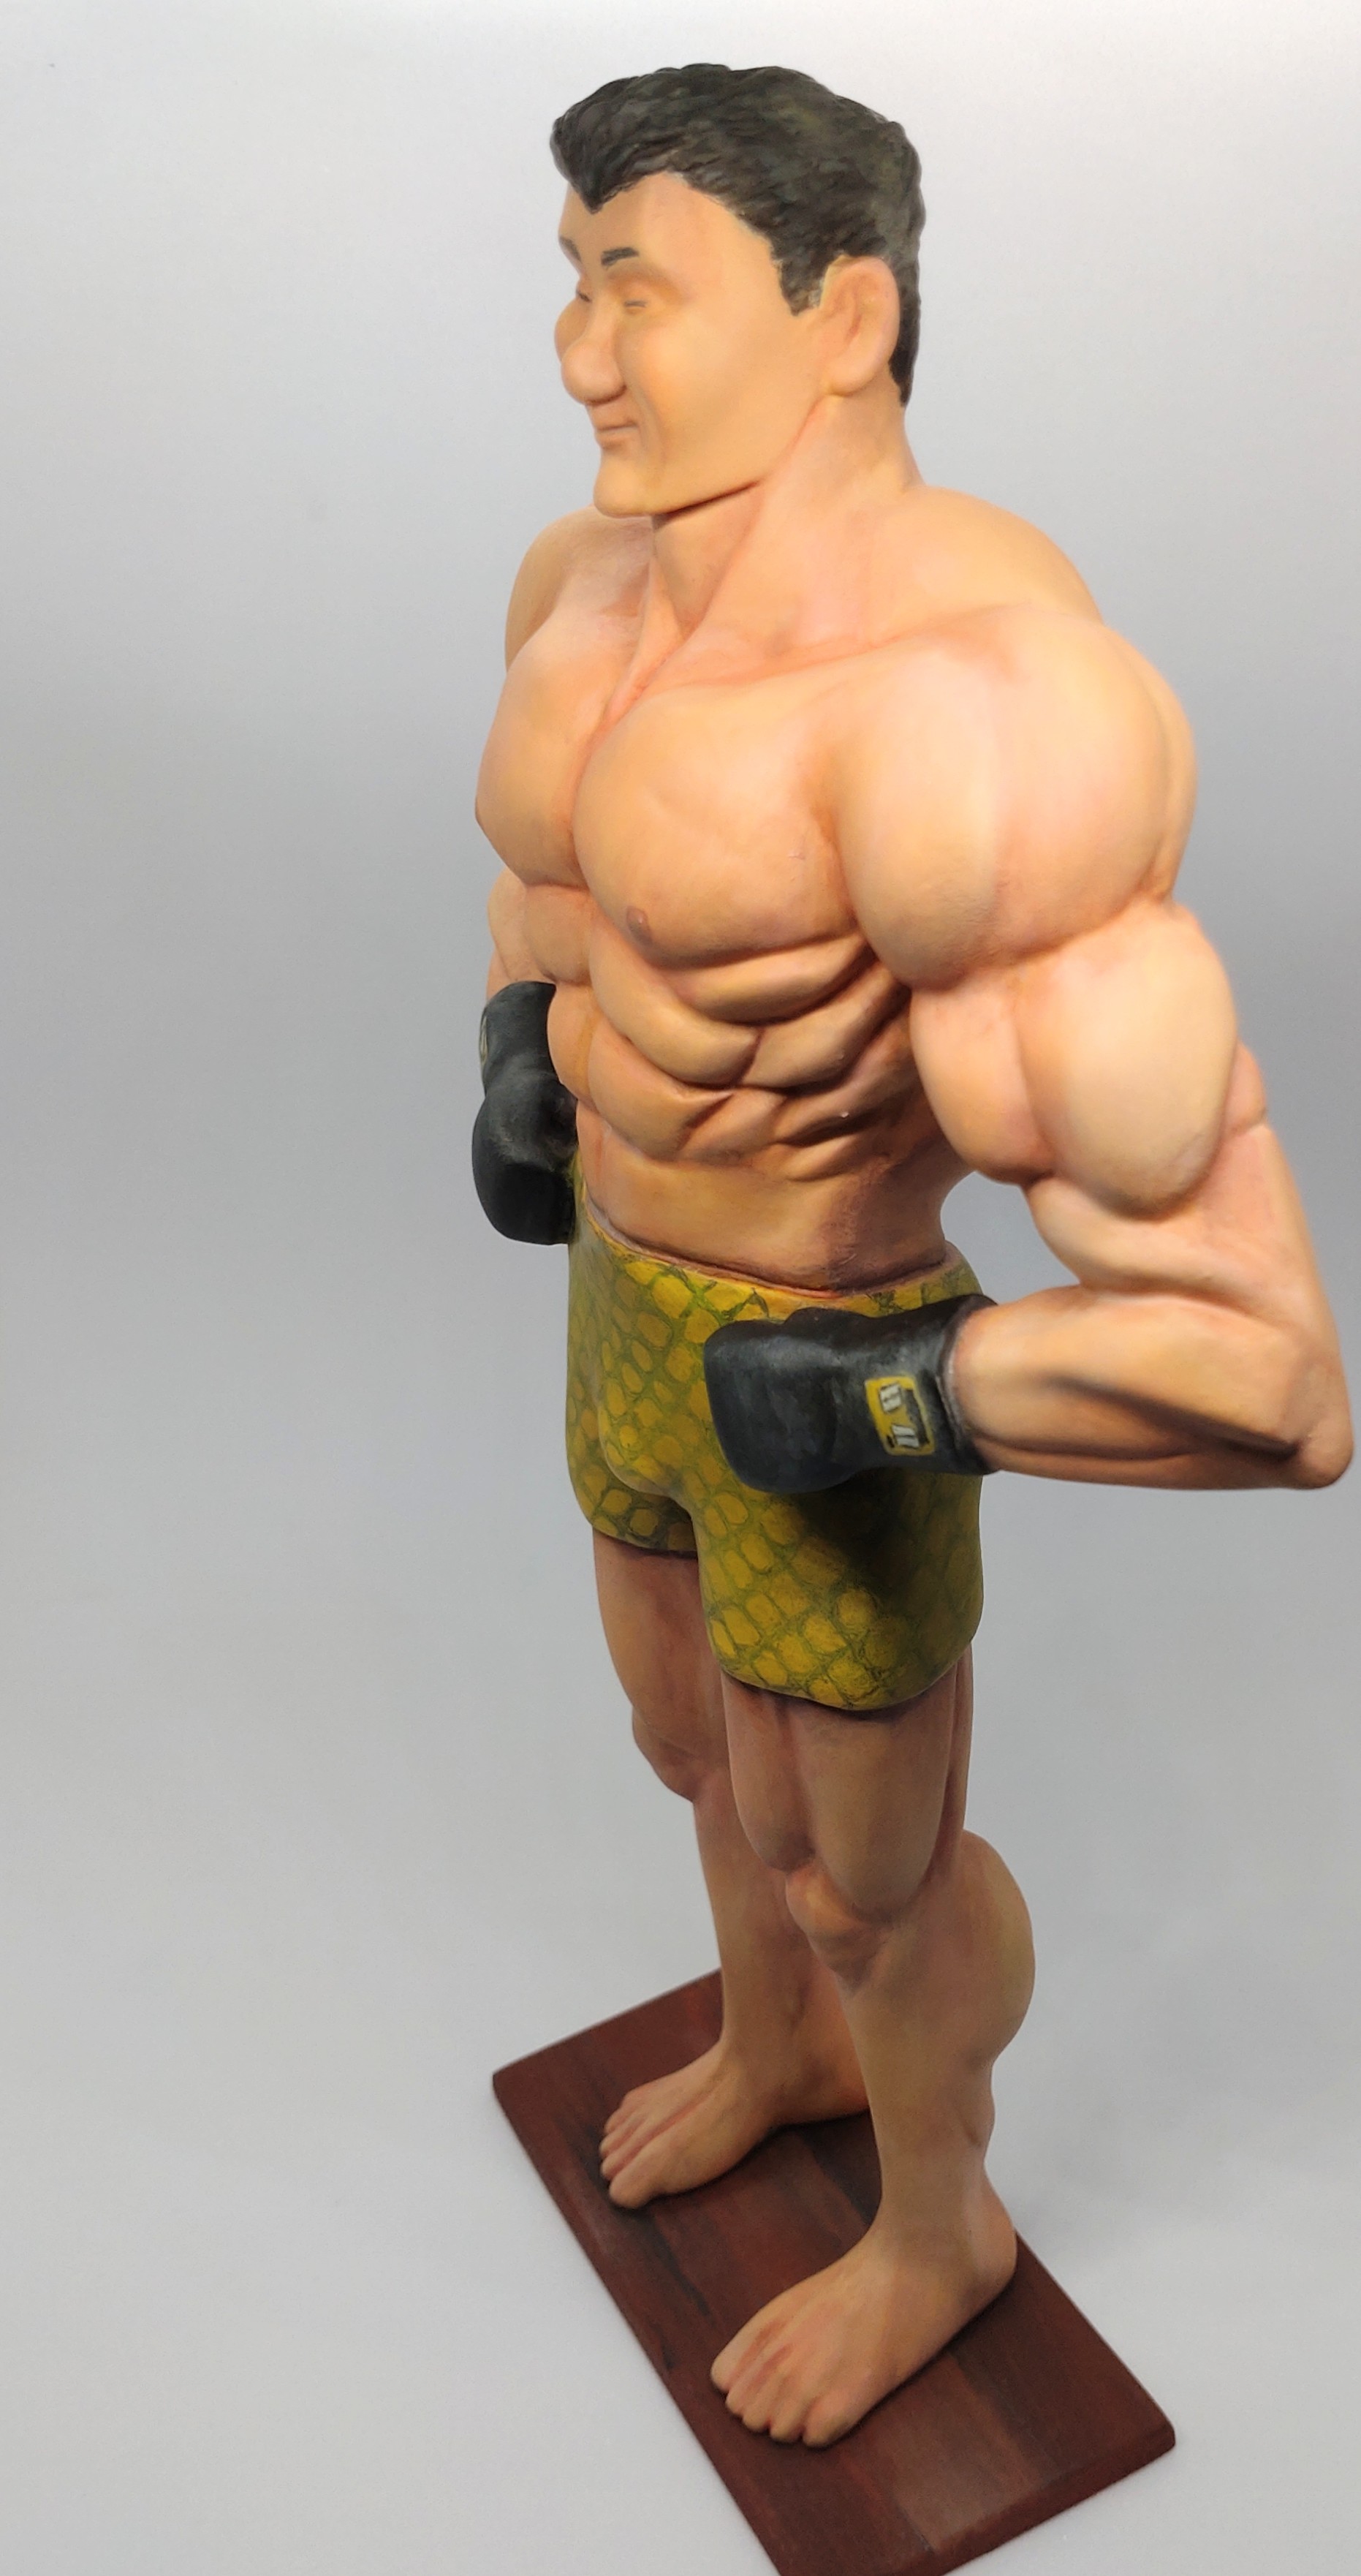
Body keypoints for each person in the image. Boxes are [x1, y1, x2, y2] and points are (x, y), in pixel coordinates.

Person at [472, 63, 1351, 2450]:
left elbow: (1269, 1370)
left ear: (845, 316)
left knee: (863, 1866)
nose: (578, 354)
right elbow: (549, 886)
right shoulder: (585, 588)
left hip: (823, 1345)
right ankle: (777, 2045)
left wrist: (902, 1398)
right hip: (629, 1302)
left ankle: (940, 2216)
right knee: (687, 1747)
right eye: (571, 284)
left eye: (635, 289)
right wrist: (512, 1045)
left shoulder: (983, 710)